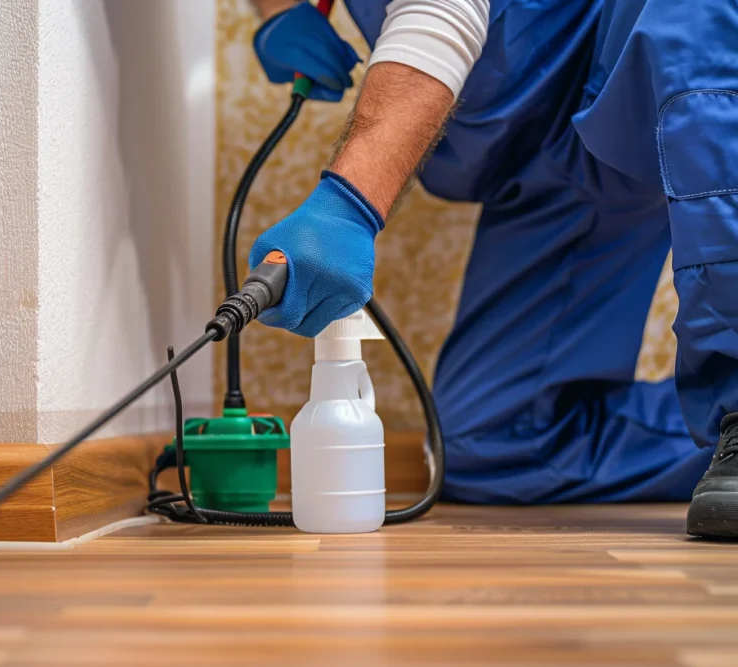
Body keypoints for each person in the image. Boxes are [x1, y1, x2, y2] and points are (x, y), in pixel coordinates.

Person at [246, 0, 738, 538]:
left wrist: (348, 204)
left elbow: (444, 7)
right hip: (546, 156)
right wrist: (280, 9)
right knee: (496, 442)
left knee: (692, 22)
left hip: (636, 62)